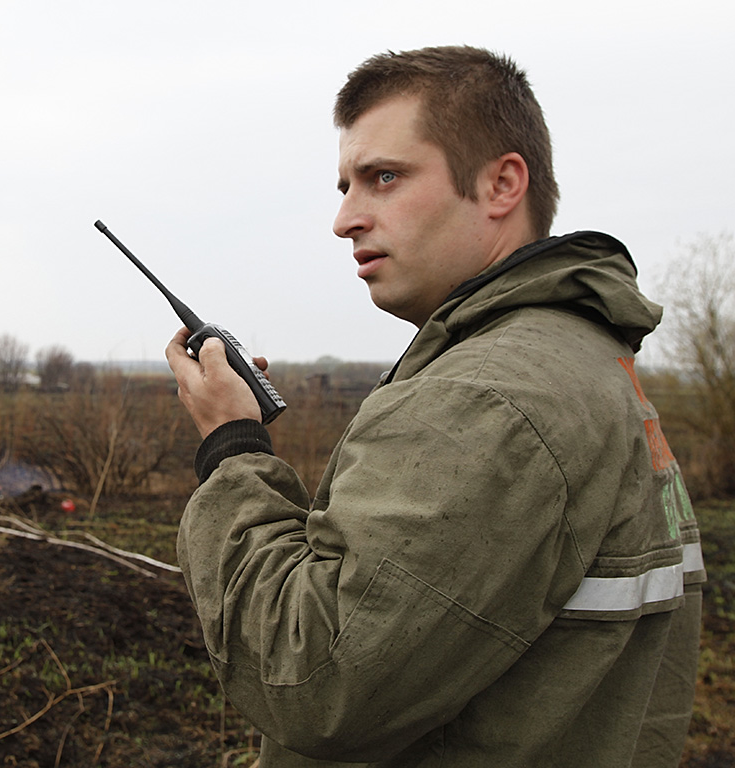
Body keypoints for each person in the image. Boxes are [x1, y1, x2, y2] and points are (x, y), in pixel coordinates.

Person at [165, 46, 705, 768]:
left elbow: (313, 680)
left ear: (500, 184)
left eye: (383, 178)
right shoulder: (584, 360)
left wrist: (231, 448)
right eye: (344, 185)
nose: (345, 219)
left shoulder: (485, 398)